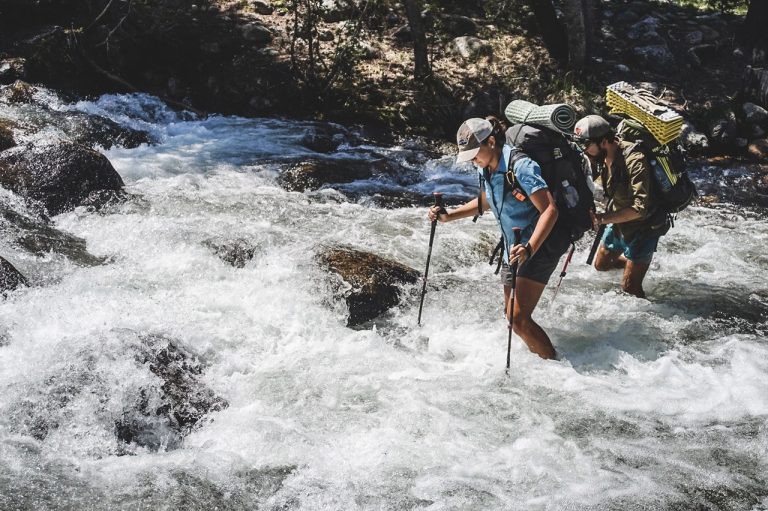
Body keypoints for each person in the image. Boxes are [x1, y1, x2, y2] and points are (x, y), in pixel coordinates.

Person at [428, 117, 570, 360]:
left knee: (518, 320)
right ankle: (542, 360)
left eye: (474, 154)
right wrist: (449, 216)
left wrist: (529, 248)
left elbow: (550, 210)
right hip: (512, 247)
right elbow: (488, 200)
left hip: (538, 245)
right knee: (512, 316)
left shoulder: (522, 167)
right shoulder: (486, 166)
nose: (473, 160)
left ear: (491, 141)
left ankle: (557, 366)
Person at [574, 115, 665, 298]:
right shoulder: (602, 155)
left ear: (605, 141)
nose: (584, 150)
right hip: (618, 222)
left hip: (645, 227)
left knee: (630, 288)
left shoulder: (635, 160)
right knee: (601, 266)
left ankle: (638, 269)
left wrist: (601, 219)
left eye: (586, 144)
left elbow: (640, 208)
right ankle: (634, 265)